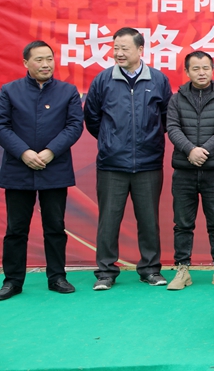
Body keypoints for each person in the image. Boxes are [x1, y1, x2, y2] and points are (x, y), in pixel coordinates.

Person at [84, 27, 173, 290]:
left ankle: (150, 269)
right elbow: (92, 118)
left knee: (148, 220)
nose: (119, 53)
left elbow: (166, 117)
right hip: (112, 164)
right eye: (116, 48)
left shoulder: (158, 80)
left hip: (148, 163)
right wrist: (110, 141)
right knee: (109, 220)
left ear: (140, 50)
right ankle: (106, 272)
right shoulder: (103, 80)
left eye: (125, 48)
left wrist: (149, 140)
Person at [0, 41, 83, 300]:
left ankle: (57, 276)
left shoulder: (68, 91)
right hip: (18, 168)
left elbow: (74, 126)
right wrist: (24, 152)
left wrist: (50, 151)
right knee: (16, 229)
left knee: (55, 226)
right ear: (26, 63)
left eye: (49, 58)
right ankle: (12, 280)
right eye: (39, 60)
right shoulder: (9, 91)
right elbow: (2, 126)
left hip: (54, 167)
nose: (46, 64)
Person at [165, 51, 214, 291]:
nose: (201, 72)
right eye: (196, 68)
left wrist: (203, 151)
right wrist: (190, 150)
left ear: (212, 70)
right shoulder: (177, 99)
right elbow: (172, 127)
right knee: (182, 223)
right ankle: (182, 270)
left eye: (206, 68)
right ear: (187, 72)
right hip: (184, 170)